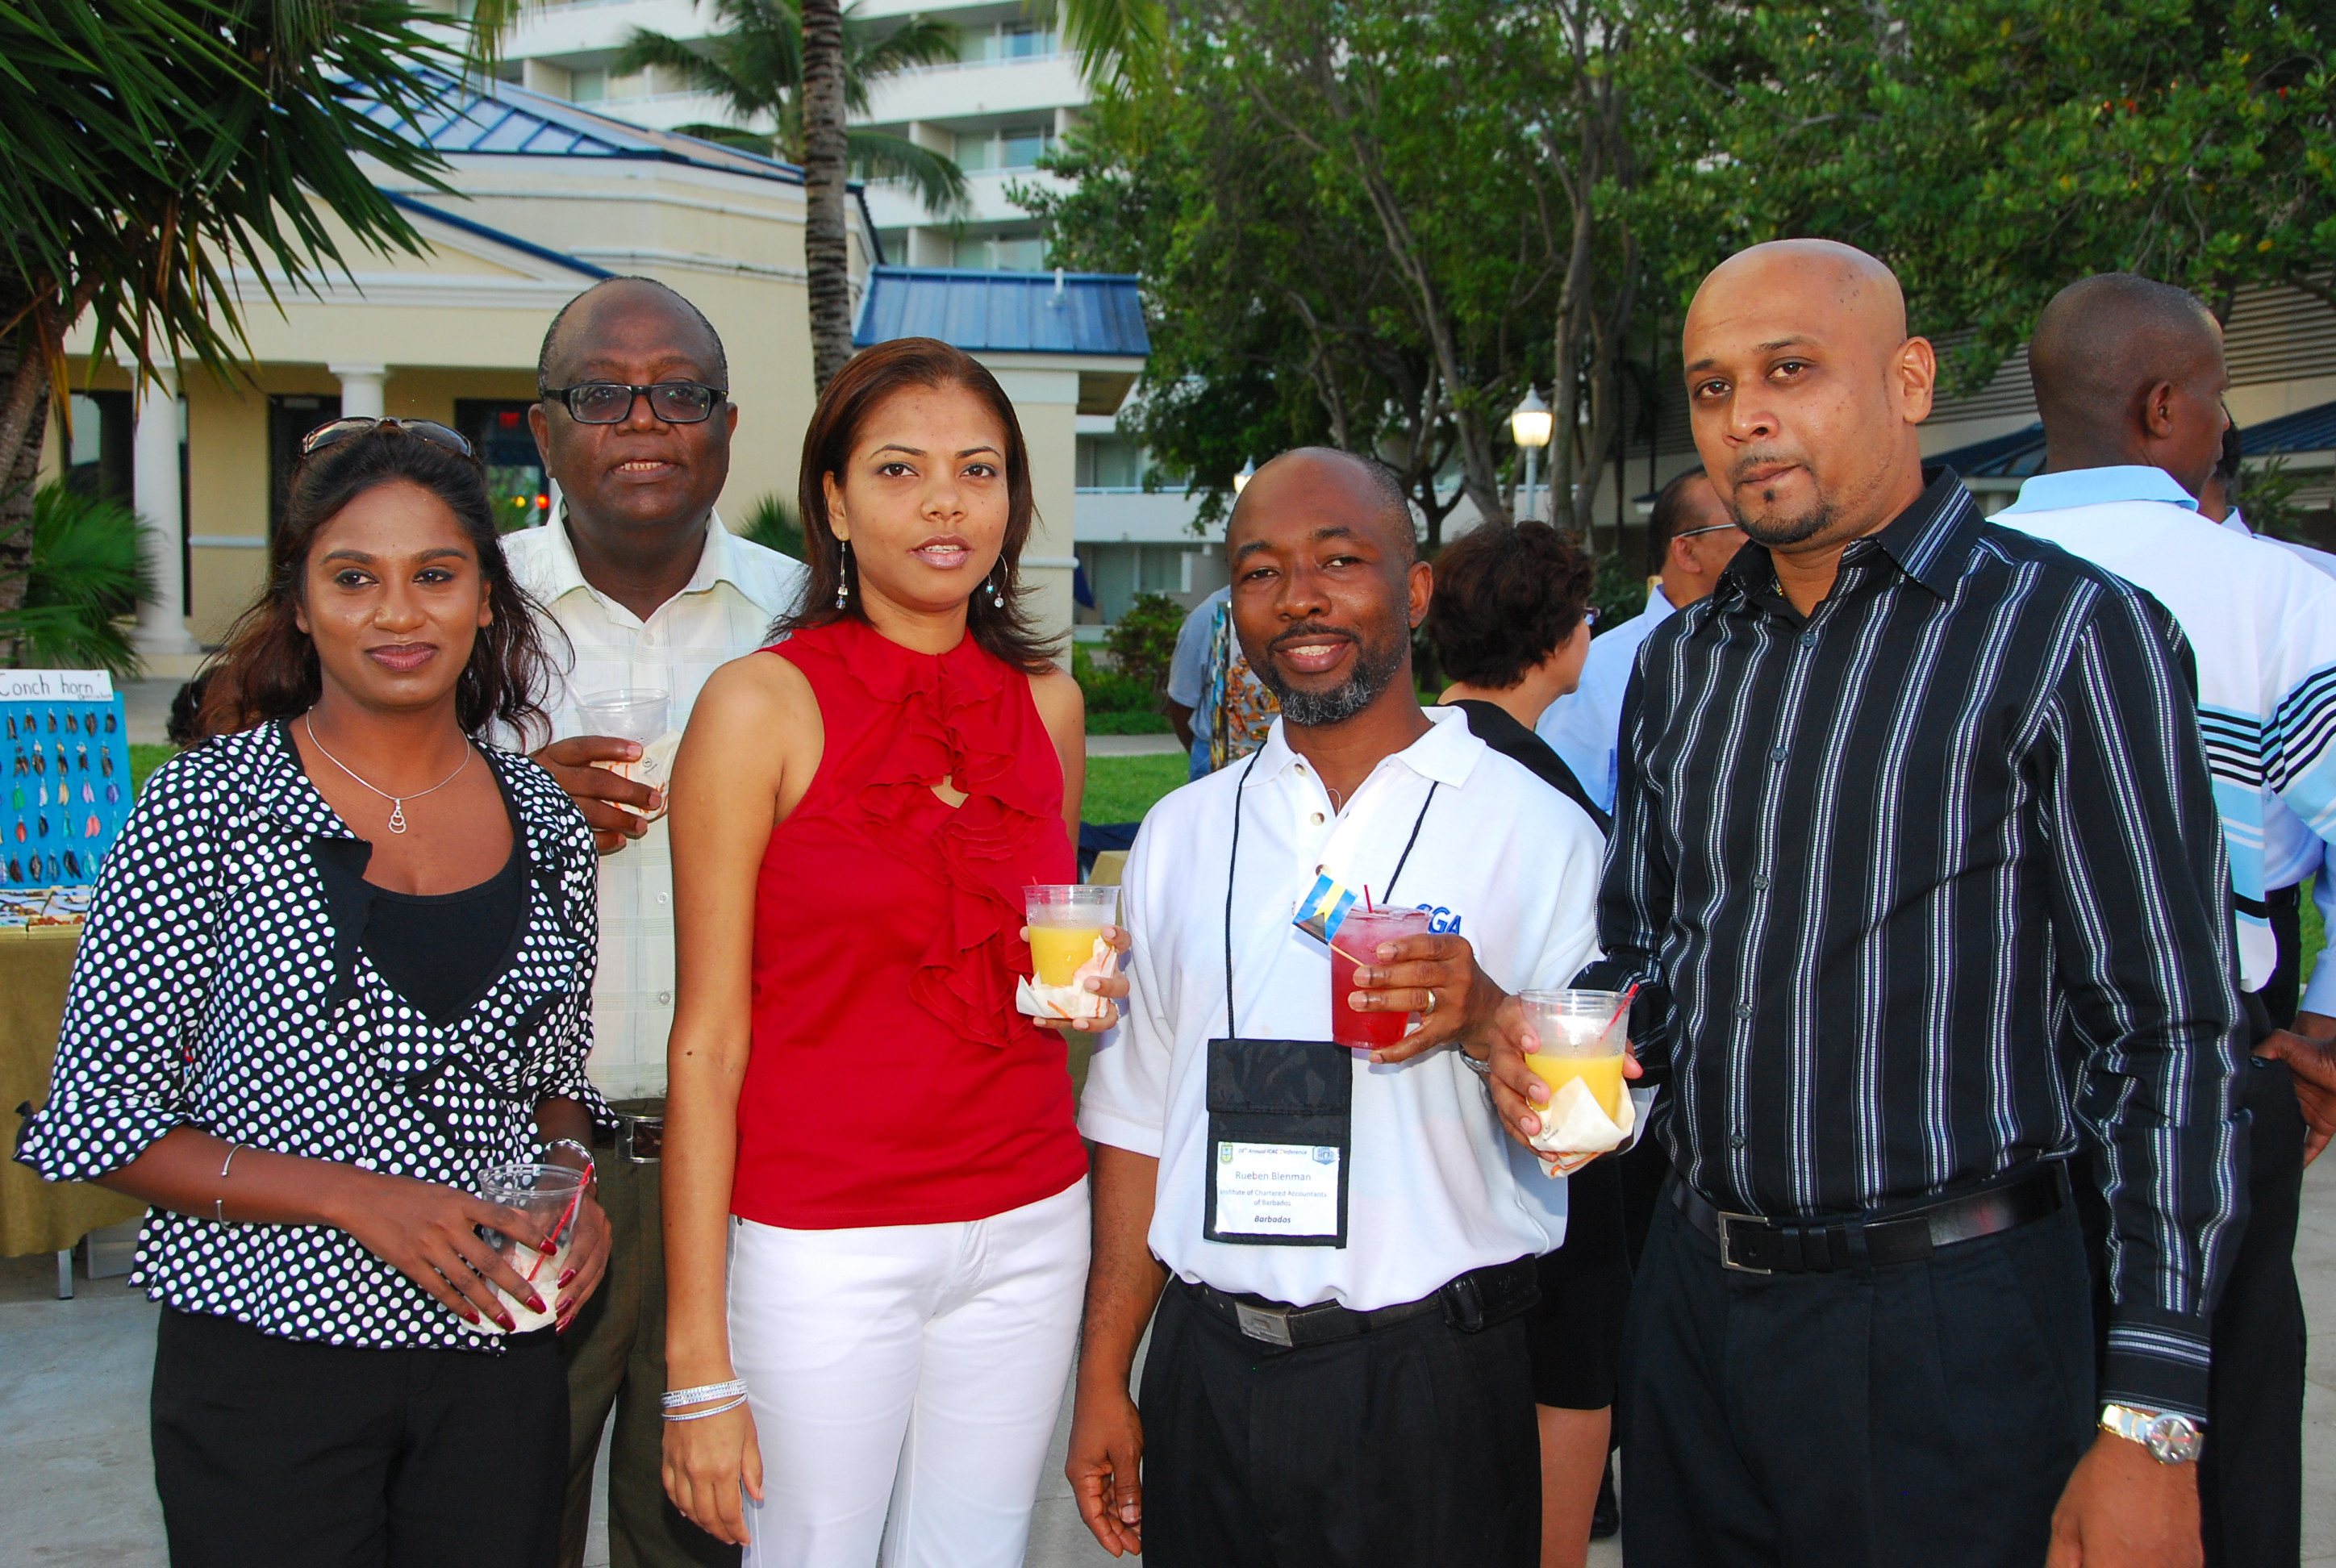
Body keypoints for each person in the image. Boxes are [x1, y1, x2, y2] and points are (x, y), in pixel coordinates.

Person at [1481, 240, 2246, 1568]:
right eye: (1712, 387)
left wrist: (2154, 1414)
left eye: (1790, 371)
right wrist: (1564, 1045)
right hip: (1697, 1308)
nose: (1745, 417)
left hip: (1956, 1326)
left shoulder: (2066, 633)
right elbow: (1657, 951)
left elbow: (2171, 1033)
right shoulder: (1684, 664)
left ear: (1909, 381)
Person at [15, 419, 608, 1566]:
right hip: (268, 1357)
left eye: (435, 575)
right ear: (299, 603)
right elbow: (102, 1121)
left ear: (487, 597)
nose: (398, 614)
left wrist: (571, 1185)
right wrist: (362, 1200)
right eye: (353, 578)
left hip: (496, 1358)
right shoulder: (205, 810)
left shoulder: (545, 822)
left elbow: (554, 1083)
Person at [1067, 448, 1607, 1567]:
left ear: (1414, 591)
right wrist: (1105, 1374)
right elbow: (1133, 1123)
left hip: (1430, 1385)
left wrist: (1486, 1019)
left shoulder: (1539, 828)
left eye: (1339, 561)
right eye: (1259, 572)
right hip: (1208, 1375)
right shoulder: (1182, 834)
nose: (1299, 598)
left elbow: (1589, 1132)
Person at [658, 337, 1124, 1566]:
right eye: (900, 469)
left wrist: (1081, 995)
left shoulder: (1050, 706)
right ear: (834, 501)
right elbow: (706, 1042)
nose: (944, 503)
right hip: (823, 1238)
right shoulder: (757, 706)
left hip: (1031, 1218)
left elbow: (1034, 946)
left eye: (979, 470)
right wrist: (696, 1361)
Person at [1993, 270, 2336, 1568]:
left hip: (1964, 1092)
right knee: (2211, 1455)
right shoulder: (2282, 594)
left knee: (1997, 1457)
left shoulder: (1940, 589)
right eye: (2219, 398)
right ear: (2164, 408)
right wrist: (2322, 1029)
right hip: (2209, 1074)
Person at [505, 276, 807, 1568]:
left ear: (727, 428)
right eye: (603, 394)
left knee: (702, 1534)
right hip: (518, 1167)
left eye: (679, 394)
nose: (642, 421)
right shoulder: (455, 606)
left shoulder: (809, 620)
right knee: (497, 1513)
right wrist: (504, 808)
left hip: (747, 1168)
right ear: (542, 429)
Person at [1422, 519, 1619, 1568]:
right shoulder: (1549, 800)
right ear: (1559, 638)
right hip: (1546, 1152)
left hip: (1426, 1175)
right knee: (1565, 1384)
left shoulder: (1395, 765)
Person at [1537, 467, 1741, 813]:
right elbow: (1561, 813)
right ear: (1687, 552)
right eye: (1745, 528)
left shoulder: (1773, 652)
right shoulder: (1599, 671)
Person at [1166, 581, 1279, 779]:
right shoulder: (1207, 617)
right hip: (1216, 761)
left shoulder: (1301, 607)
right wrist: (1208, 759)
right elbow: (1181, 705)